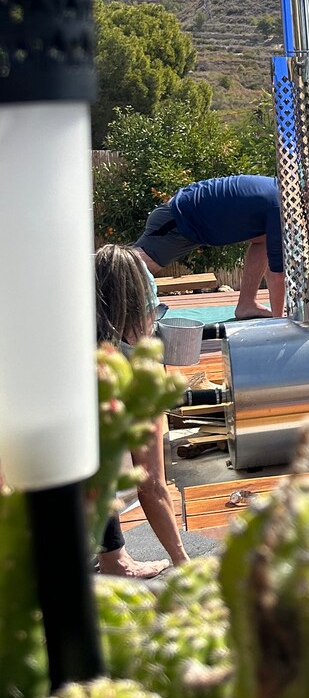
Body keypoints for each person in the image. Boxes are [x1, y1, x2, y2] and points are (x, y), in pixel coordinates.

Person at [95, 244, 189, 578]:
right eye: (156, 311)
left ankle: (111, 556)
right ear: (139, 312)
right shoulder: (135, 371)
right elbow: (151, 486)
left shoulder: (70, 346)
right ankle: (114, 560)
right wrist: (183, 563)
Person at [133, 174, 284, 320]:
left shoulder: (278, 193)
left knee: (263, 239)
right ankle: (118, 321)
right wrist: (281, 323)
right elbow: (277, 274)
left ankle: (247, 304)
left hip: (194, 221)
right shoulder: (278, 206)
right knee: (131, 267)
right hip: (177, 220)